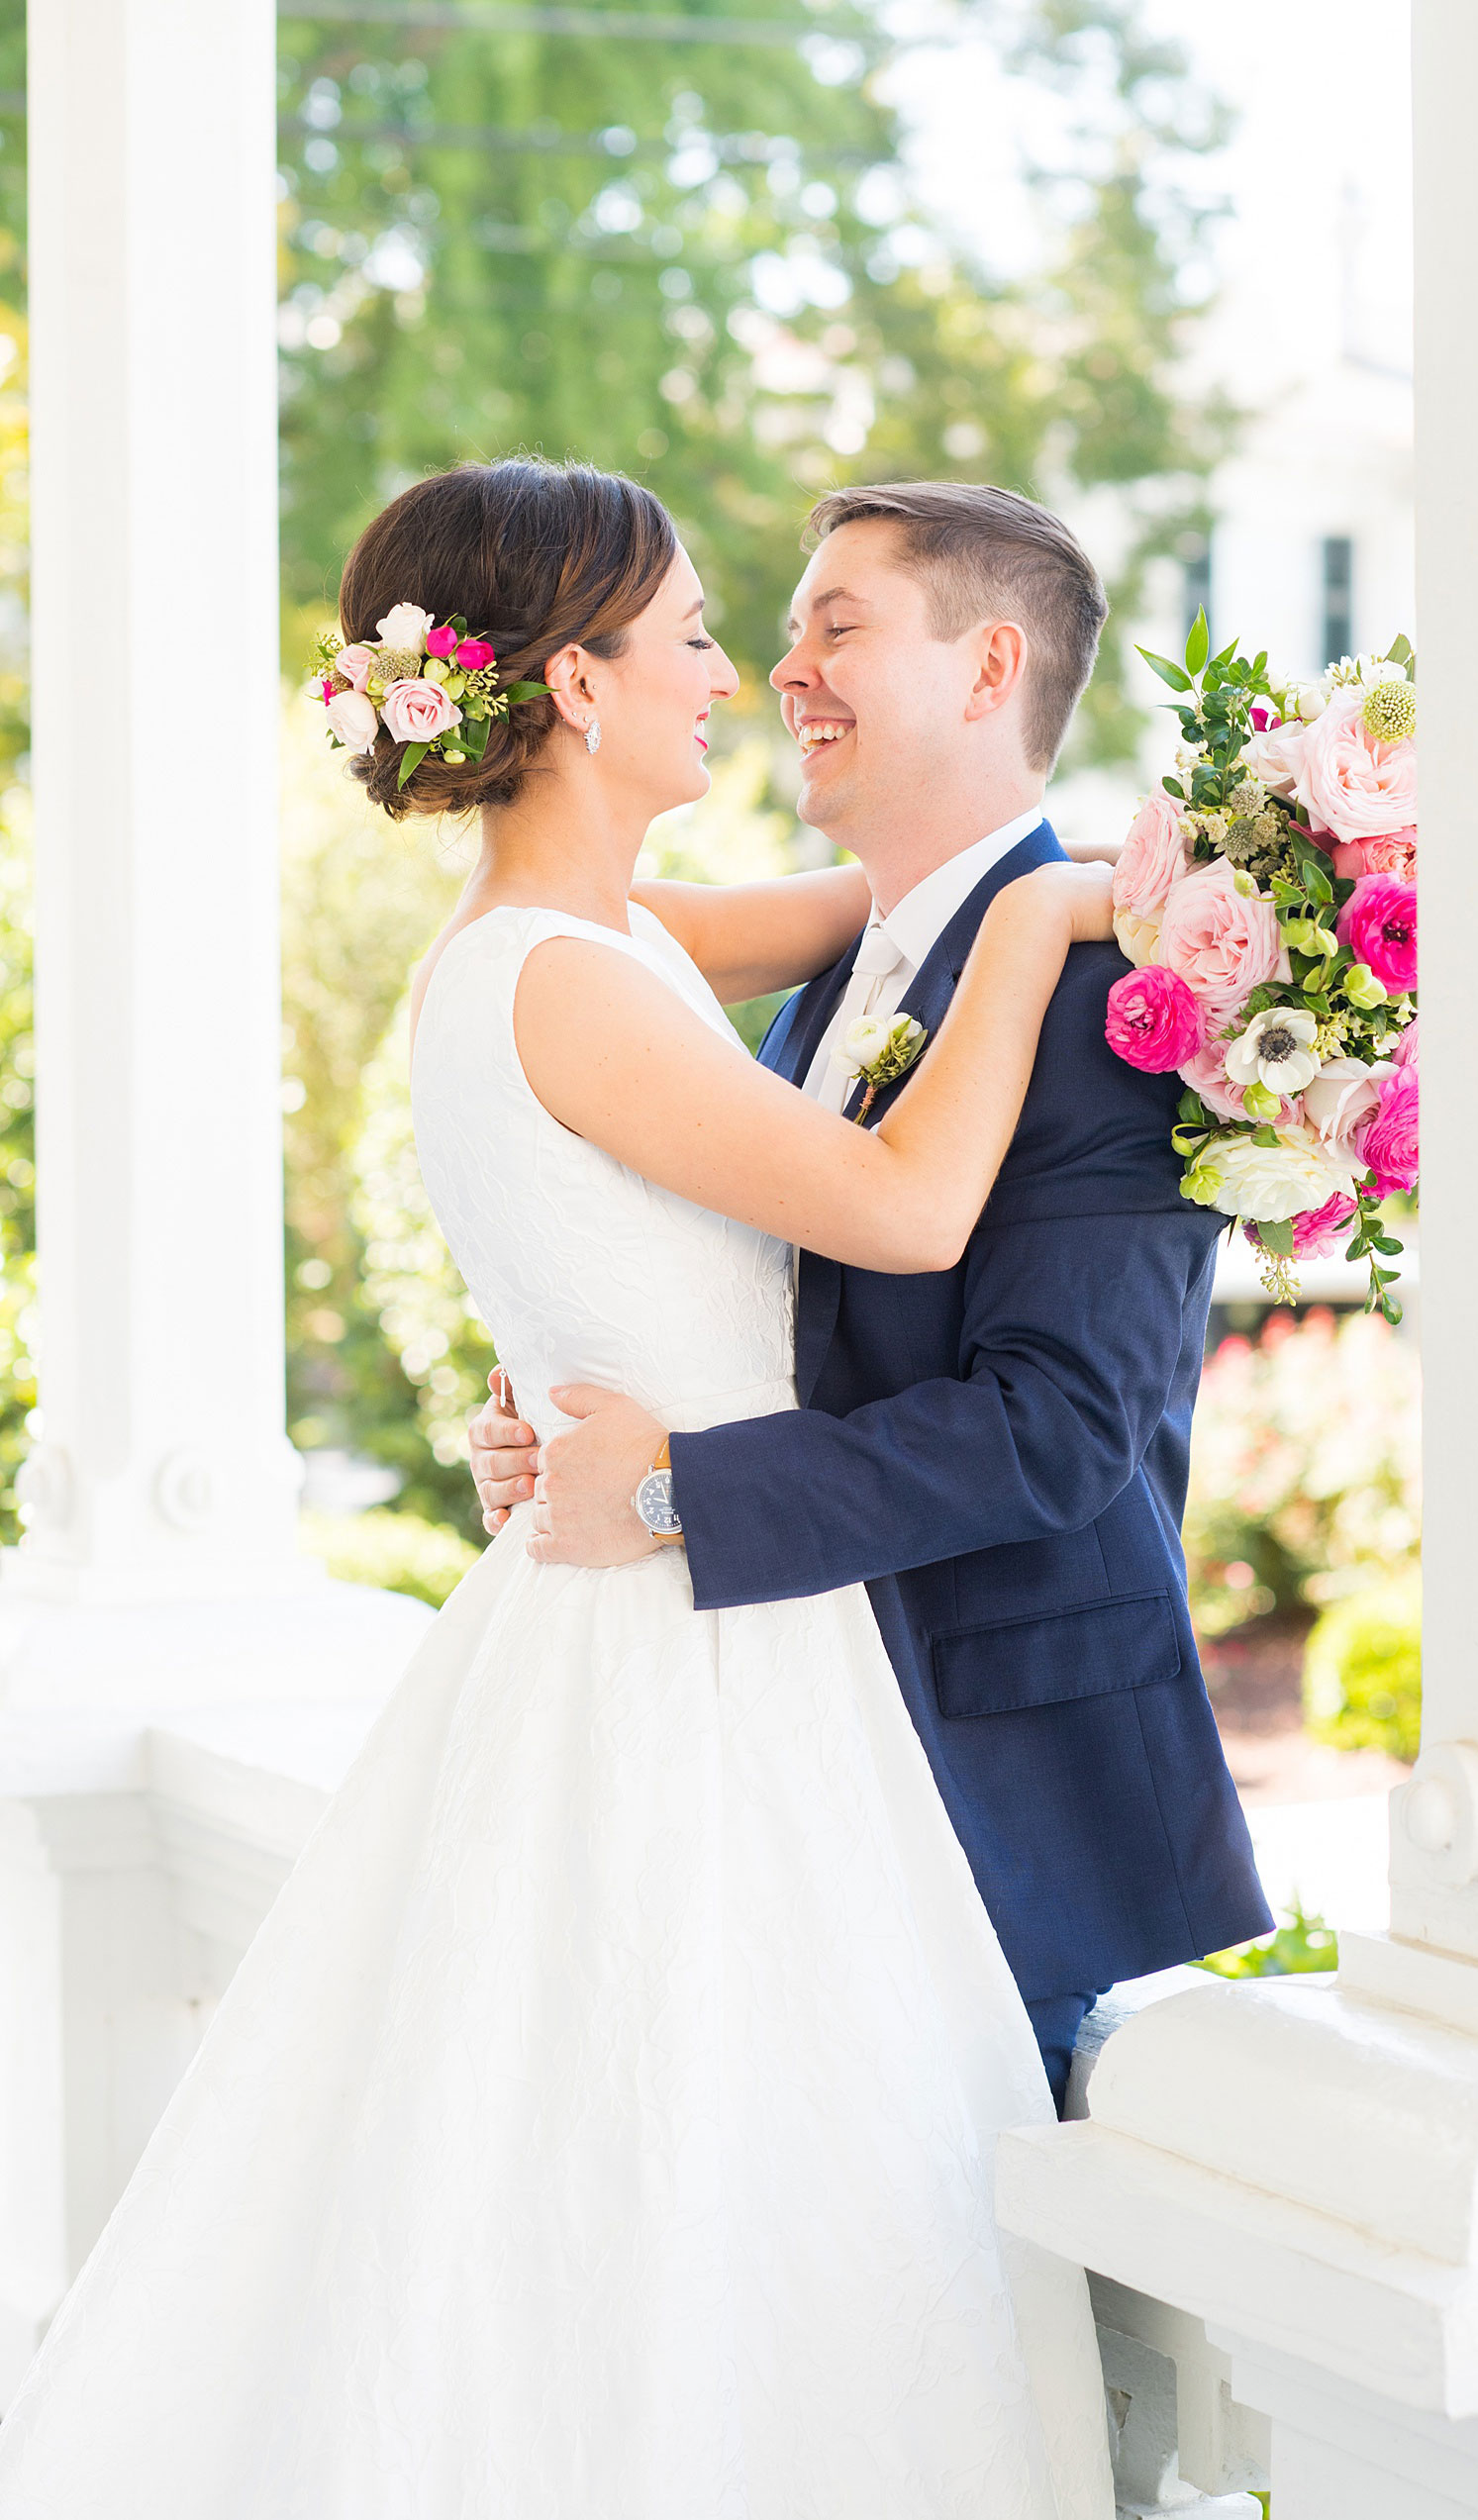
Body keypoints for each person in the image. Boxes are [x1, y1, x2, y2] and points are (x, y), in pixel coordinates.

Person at [0, 457, 1116, 2517]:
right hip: (683, 1643)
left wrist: (1046, 852)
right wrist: (1058, 912)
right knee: (689, 2175)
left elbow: (885, 922)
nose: (737, 672)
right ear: (578, 690)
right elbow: (895, 1196)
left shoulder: (576, 938)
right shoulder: (571, 977)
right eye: (693, 633)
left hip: (632, 1579)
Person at [469, 477, 1273, 2113]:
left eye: (838, 629)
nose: (784, 673)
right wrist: (577, 1425)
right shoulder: (834, 969)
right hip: (787, 1768)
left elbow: (1060, 1430)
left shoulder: (1117, 992)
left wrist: (679, 1485)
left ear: (988, 673)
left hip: (996, 1788)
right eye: (774, 638)